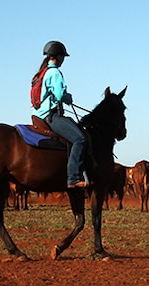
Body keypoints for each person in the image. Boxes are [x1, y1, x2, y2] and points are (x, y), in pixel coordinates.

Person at [32, 40, 87, 188]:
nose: (63, 60)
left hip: (38, 115)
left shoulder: (41, 73)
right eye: (63, 56)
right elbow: (59, 94)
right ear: (58, 56)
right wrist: (68, 98)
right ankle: (74, 177)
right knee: (80, 139)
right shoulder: (54, 72)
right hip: (50, 116)